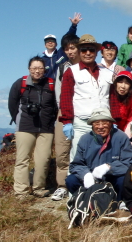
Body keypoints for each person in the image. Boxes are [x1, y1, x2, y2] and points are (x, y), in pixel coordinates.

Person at [8, 56, 57, 198]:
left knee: (43, 159)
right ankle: (21, 191)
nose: (37, 71)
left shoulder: (51, 84)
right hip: (25, 126)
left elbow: (55, 106)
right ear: (29, 69)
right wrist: (19, 119)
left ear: (45, 69)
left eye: (40, 68)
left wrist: (51, 120)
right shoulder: (21, 83)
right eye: (34, 68)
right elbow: (12, 104)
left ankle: (38, 188)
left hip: (46, 128)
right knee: (23, 159)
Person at [60, 34, 111, 161]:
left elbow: (111, 97)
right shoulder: (71, 71)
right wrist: (67, 122)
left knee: (102, 157)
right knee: (78, 157)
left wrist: (113, 120)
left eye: (91, 50)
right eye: (84, 50)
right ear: (79, 51)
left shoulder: (106, 72)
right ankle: (74, 181)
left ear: (97, 52)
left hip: (104, 124)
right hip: (82, 124)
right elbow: (66, 98)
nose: (87, 53)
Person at [66, 108, 132, 201]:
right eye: (97, 123)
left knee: (123, 180)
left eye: (105, 122)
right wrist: (85, 175)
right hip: (91, 178)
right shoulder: (85, 139)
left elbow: (129, 162)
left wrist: (109, 167)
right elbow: (76, 164)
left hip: (113, 177)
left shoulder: (121, 137)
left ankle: (119, 203)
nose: (101, 126)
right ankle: (85, 201)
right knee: (71, 180)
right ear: (91, 125)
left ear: (111, 123)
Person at [52, 34, 80, 201]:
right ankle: (62, 185)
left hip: (83, 113)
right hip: (64, 112)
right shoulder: (62, 68)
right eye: (67, 48)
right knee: (62, 149)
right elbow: (58, 92)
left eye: (73, 47)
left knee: (81, 149)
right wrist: (64, 110)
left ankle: (78, 184)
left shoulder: (87, 66)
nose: (70, 51)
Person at [42, 12, 83, 79]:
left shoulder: (61, 52)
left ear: (56, 44)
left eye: (52, 41)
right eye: (47, 41)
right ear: (44, 45)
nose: (50, 42)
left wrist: (73, 25)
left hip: (63, 82)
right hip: (49, 87)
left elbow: (67, 39)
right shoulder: (42, 60)